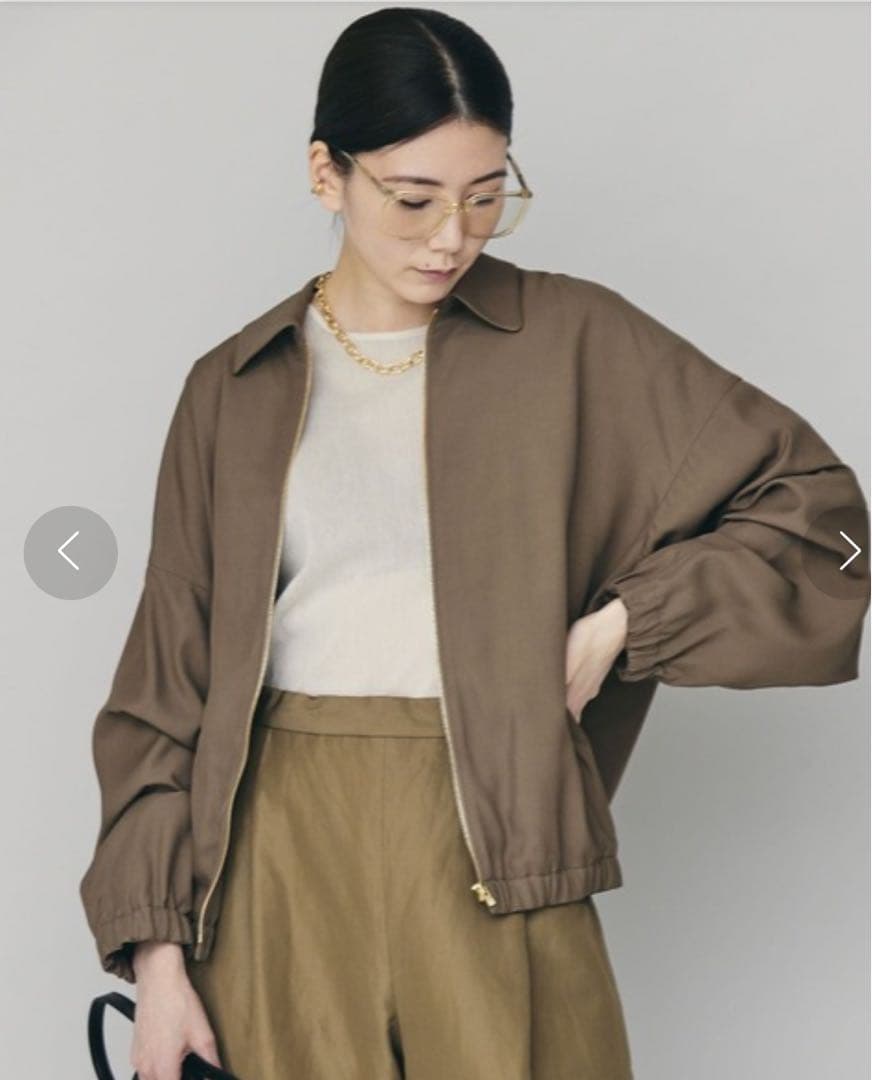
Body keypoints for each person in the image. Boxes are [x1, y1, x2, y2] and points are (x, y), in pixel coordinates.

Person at [78, 7, 870, 1080]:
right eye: (413, 199)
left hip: (497, 849)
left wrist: (622, 627)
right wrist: (159, 962)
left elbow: (827, 521)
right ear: (326, 175)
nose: (451, 237)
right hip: (272, 860)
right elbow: (161, 693)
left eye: (486, 196)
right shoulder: (232, 388)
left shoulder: (574, 341)